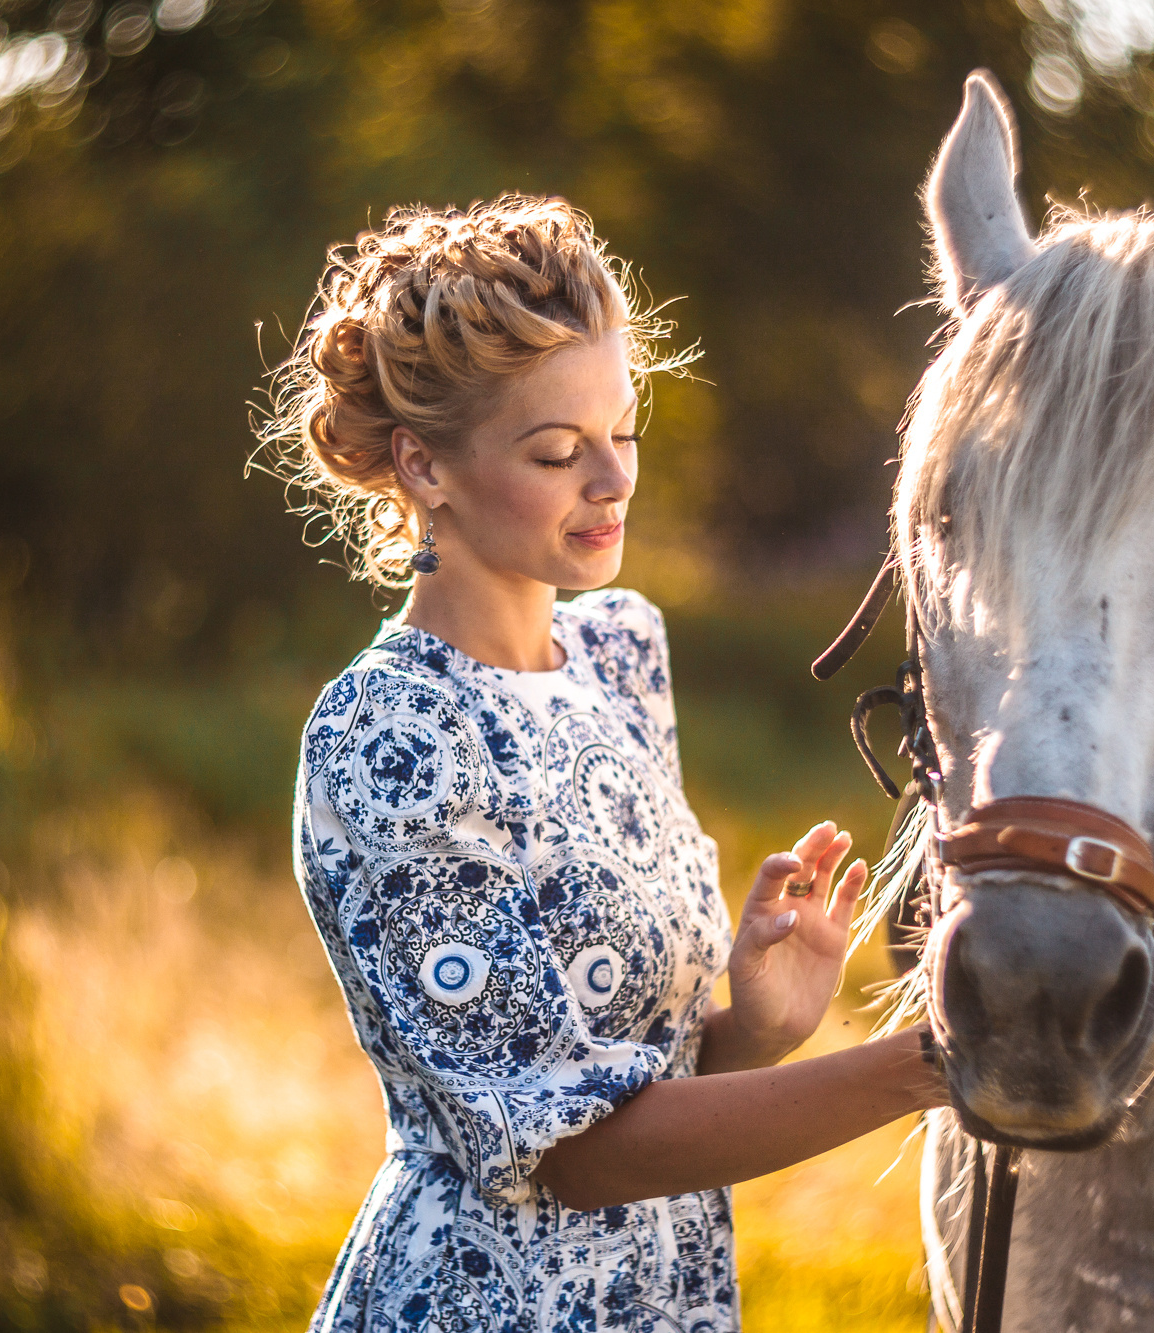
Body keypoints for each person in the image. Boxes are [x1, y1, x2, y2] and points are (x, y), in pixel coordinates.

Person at [263, 195, 949, 1333]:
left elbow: (641, 1085)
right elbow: (571, 1154)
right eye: (555, 451)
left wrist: (756, 1025)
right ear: (422, 466)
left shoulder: (619, 651)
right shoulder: (389, 738)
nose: (613, 480)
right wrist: (928, 1064)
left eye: (621, 433)